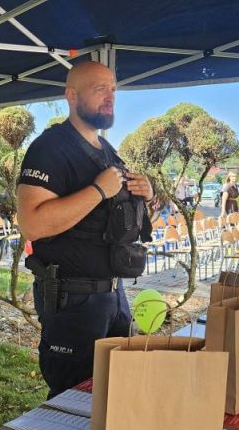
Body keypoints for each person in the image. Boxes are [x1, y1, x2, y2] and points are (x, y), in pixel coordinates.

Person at [17, 61, 154, 398]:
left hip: (113, 295)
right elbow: (31, 224)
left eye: (113, 89)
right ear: (72, 96)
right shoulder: (50, 148)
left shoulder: (108, 152)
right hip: (73, 301)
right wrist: (97, 190)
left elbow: (117, 220)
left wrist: (146, 195)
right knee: (71, 399)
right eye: (99, 89)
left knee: (116, 393)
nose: (110, 97)